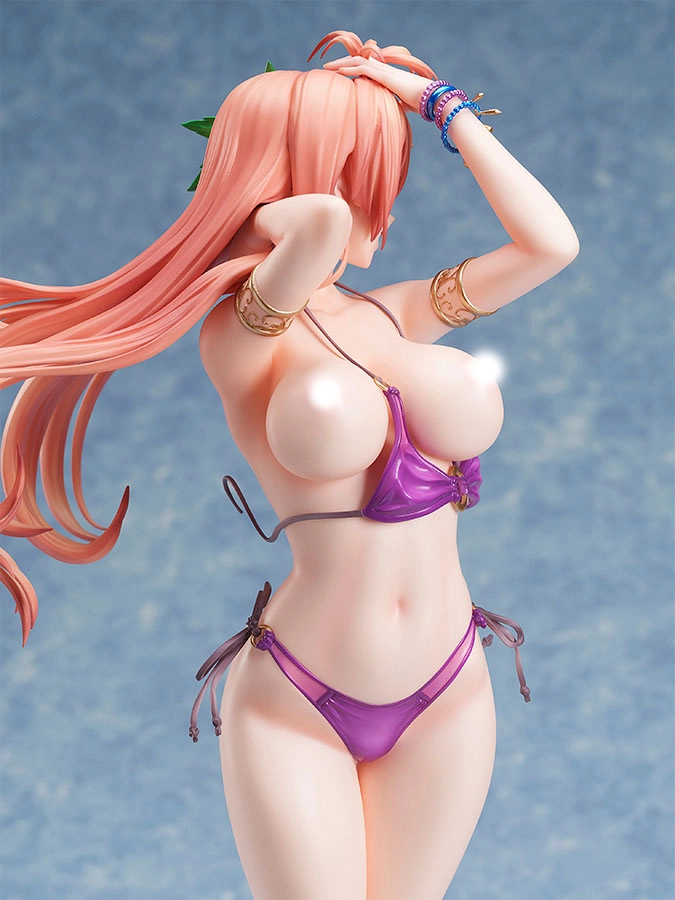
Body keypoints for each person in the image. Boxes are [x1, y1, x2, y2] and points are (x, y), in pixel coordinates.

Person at [0, 30, 578, 899]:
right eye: (365, 178)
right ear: (297, 184)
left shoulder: (394, 314)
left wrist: (441, 107)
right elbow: (318, 226)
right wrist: (259, 191)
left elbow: (549, 246)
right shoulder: (243, 336)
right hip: (302, 695)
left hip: (451, 683)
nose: (382, 211)